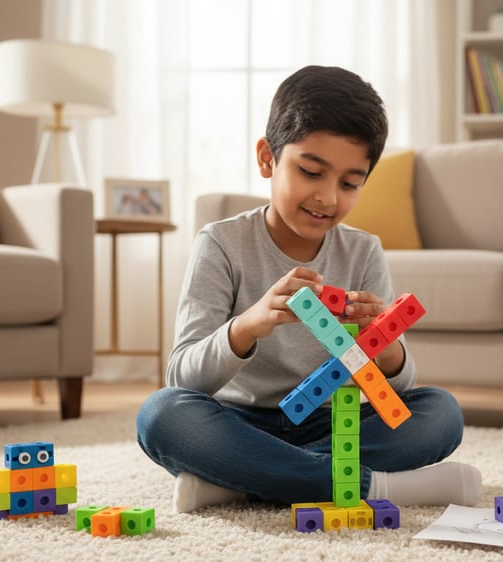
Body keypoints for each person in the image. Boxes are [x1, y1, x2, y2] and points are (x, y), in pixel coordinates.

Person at [136, 65, 483, 514]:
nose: (327, 198)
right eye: (311, 172)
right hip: (241, 422)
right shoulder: (221, 243)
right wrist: (248, 326)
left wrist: (384, 348)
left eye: (349, 183)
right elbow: (183, 378)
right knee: (162, 414)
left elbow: (395, 392)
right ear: (267, 158)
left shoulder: (363, 251)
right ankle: (376, 487)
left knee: (440, 412)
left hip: (332, 423)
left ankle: (245, 484)